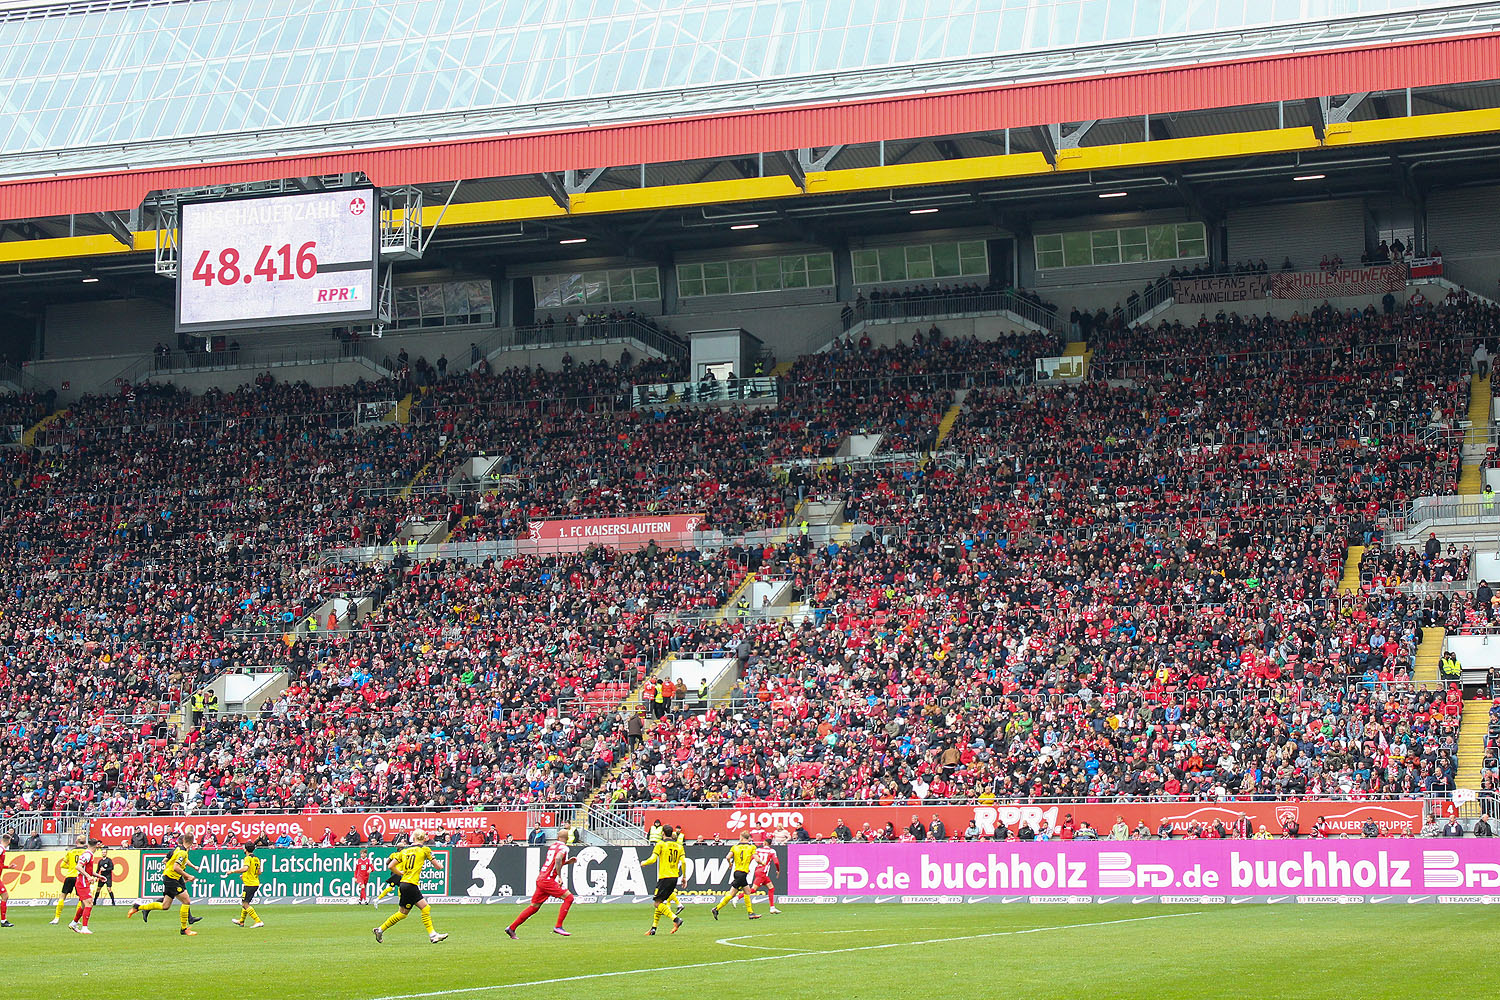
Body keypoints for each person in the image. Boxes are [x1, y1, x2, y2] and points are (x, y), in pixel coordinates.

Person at [372, 829, 447, 944]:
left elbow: (391, 865)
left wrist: (400, 873)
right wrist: (441, 865)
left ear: (413, 838)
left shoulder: (405, 851)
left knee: (402, 913)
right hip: (411, 884)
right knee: (425, 908)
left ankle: (380, 930)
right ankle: (433, 935)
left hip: (404, 884)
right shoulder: (425, 850)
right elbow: (438, 866)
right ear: (424, 838)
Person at [129, 829, 203, 935]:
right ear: (192, 842)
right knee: (186, 901)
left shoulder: (179, 849)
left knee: (165, 906)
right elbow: (176, 867)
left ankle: (138, 907)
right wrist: (188, 876)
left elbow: (172, 863)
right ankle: (184, 929)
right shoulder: (182, 852)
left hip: (171, 877)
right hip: (171, 879)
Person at [505, 831, 575, 938]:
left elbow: (554, 862)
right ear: (568, 838)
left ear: (557, 837)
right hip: (548, 880)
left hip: (541, 878)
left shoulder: (552, 846)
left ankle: (511, 928)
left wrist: (566, 862)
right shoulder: (564, 848)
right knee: (569, 898)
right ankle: (558, 926)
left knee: (534, 907)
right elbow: (557, 859)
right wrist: (560, 876)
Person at [641, 824, 685, 936]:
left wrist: (644, 863)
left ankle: (676, 919)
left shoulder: (660, 844)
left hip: (664, 877)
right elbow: (683, 862)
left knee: (657, 903)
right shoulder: (679, 846)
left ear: (663, 833)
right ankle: (653, 928)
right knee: (660, 902)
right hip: (675, 877)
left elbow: (653, 859)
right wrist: (684, 877)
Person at [711, 833, 759, 921]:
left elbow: (728, 857)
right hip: (742, 873)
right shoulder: (752, 847)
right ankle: (717, 909)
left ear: (741, 837)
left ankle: (750, 913)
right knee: (739, 893)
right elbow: (757, 859)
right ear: (748, 838)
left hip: (737, 872)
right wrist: (762, 863)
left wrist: (730, 864)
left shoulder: (734, 847)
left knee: (742, 892)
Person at [68, 839, 104, 934]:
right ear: (96, 846)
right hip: (82, 882)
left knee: (84, 905)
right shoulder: (87, 854)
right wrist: (88, 877)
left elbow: (88, 870)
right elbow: (78, 866)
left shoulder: (89, 854)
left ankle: (74, 923)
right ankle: (84, 927)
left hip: (83, 881)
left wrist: (98, 876)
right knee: (89, 903)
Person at [50, 835, 85, 925]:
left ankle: (56, 918)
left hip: (70, 876)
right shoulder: (86, 852)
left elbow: (62, 865)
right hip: (80, 876)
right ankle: (77, 919)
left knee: (62, 896)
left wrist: (71, 866)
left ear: (76, 841)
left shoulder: (70, 852)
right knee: (81, 899)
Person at [229, 842, 265, 928]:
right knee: (245, 902)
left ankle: (258, 921)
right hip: (255, 883)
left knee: (245, 904)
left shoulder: (247, 858)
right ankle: (241, 921)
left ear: (245, 849)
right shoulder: (256, 859)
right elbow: (259, 872)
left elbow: (245, 868)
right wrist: (246, 875)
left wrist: (232, 871)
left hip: (250, 884)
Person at [749, 841, 782, 915]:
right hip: (762, 872)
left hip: (759, 871)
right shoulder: (772, 851)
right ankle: (737, 897)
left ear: (765, 843)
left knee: (771, 888)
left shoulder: (758, 850)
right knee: (753, 890)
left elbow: (751, 858)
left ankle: (772, 908)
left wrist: (747, 867)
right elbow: (776, 862)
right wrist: (778, 870)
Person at [0, 833, 11, 926]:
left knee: (5, 896)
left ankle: (4, 920)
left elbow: (1, 865)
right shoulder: (1, 849)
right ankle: (3, 921)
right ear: (9, 841)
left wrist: (8, 867)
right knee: (5, 896)